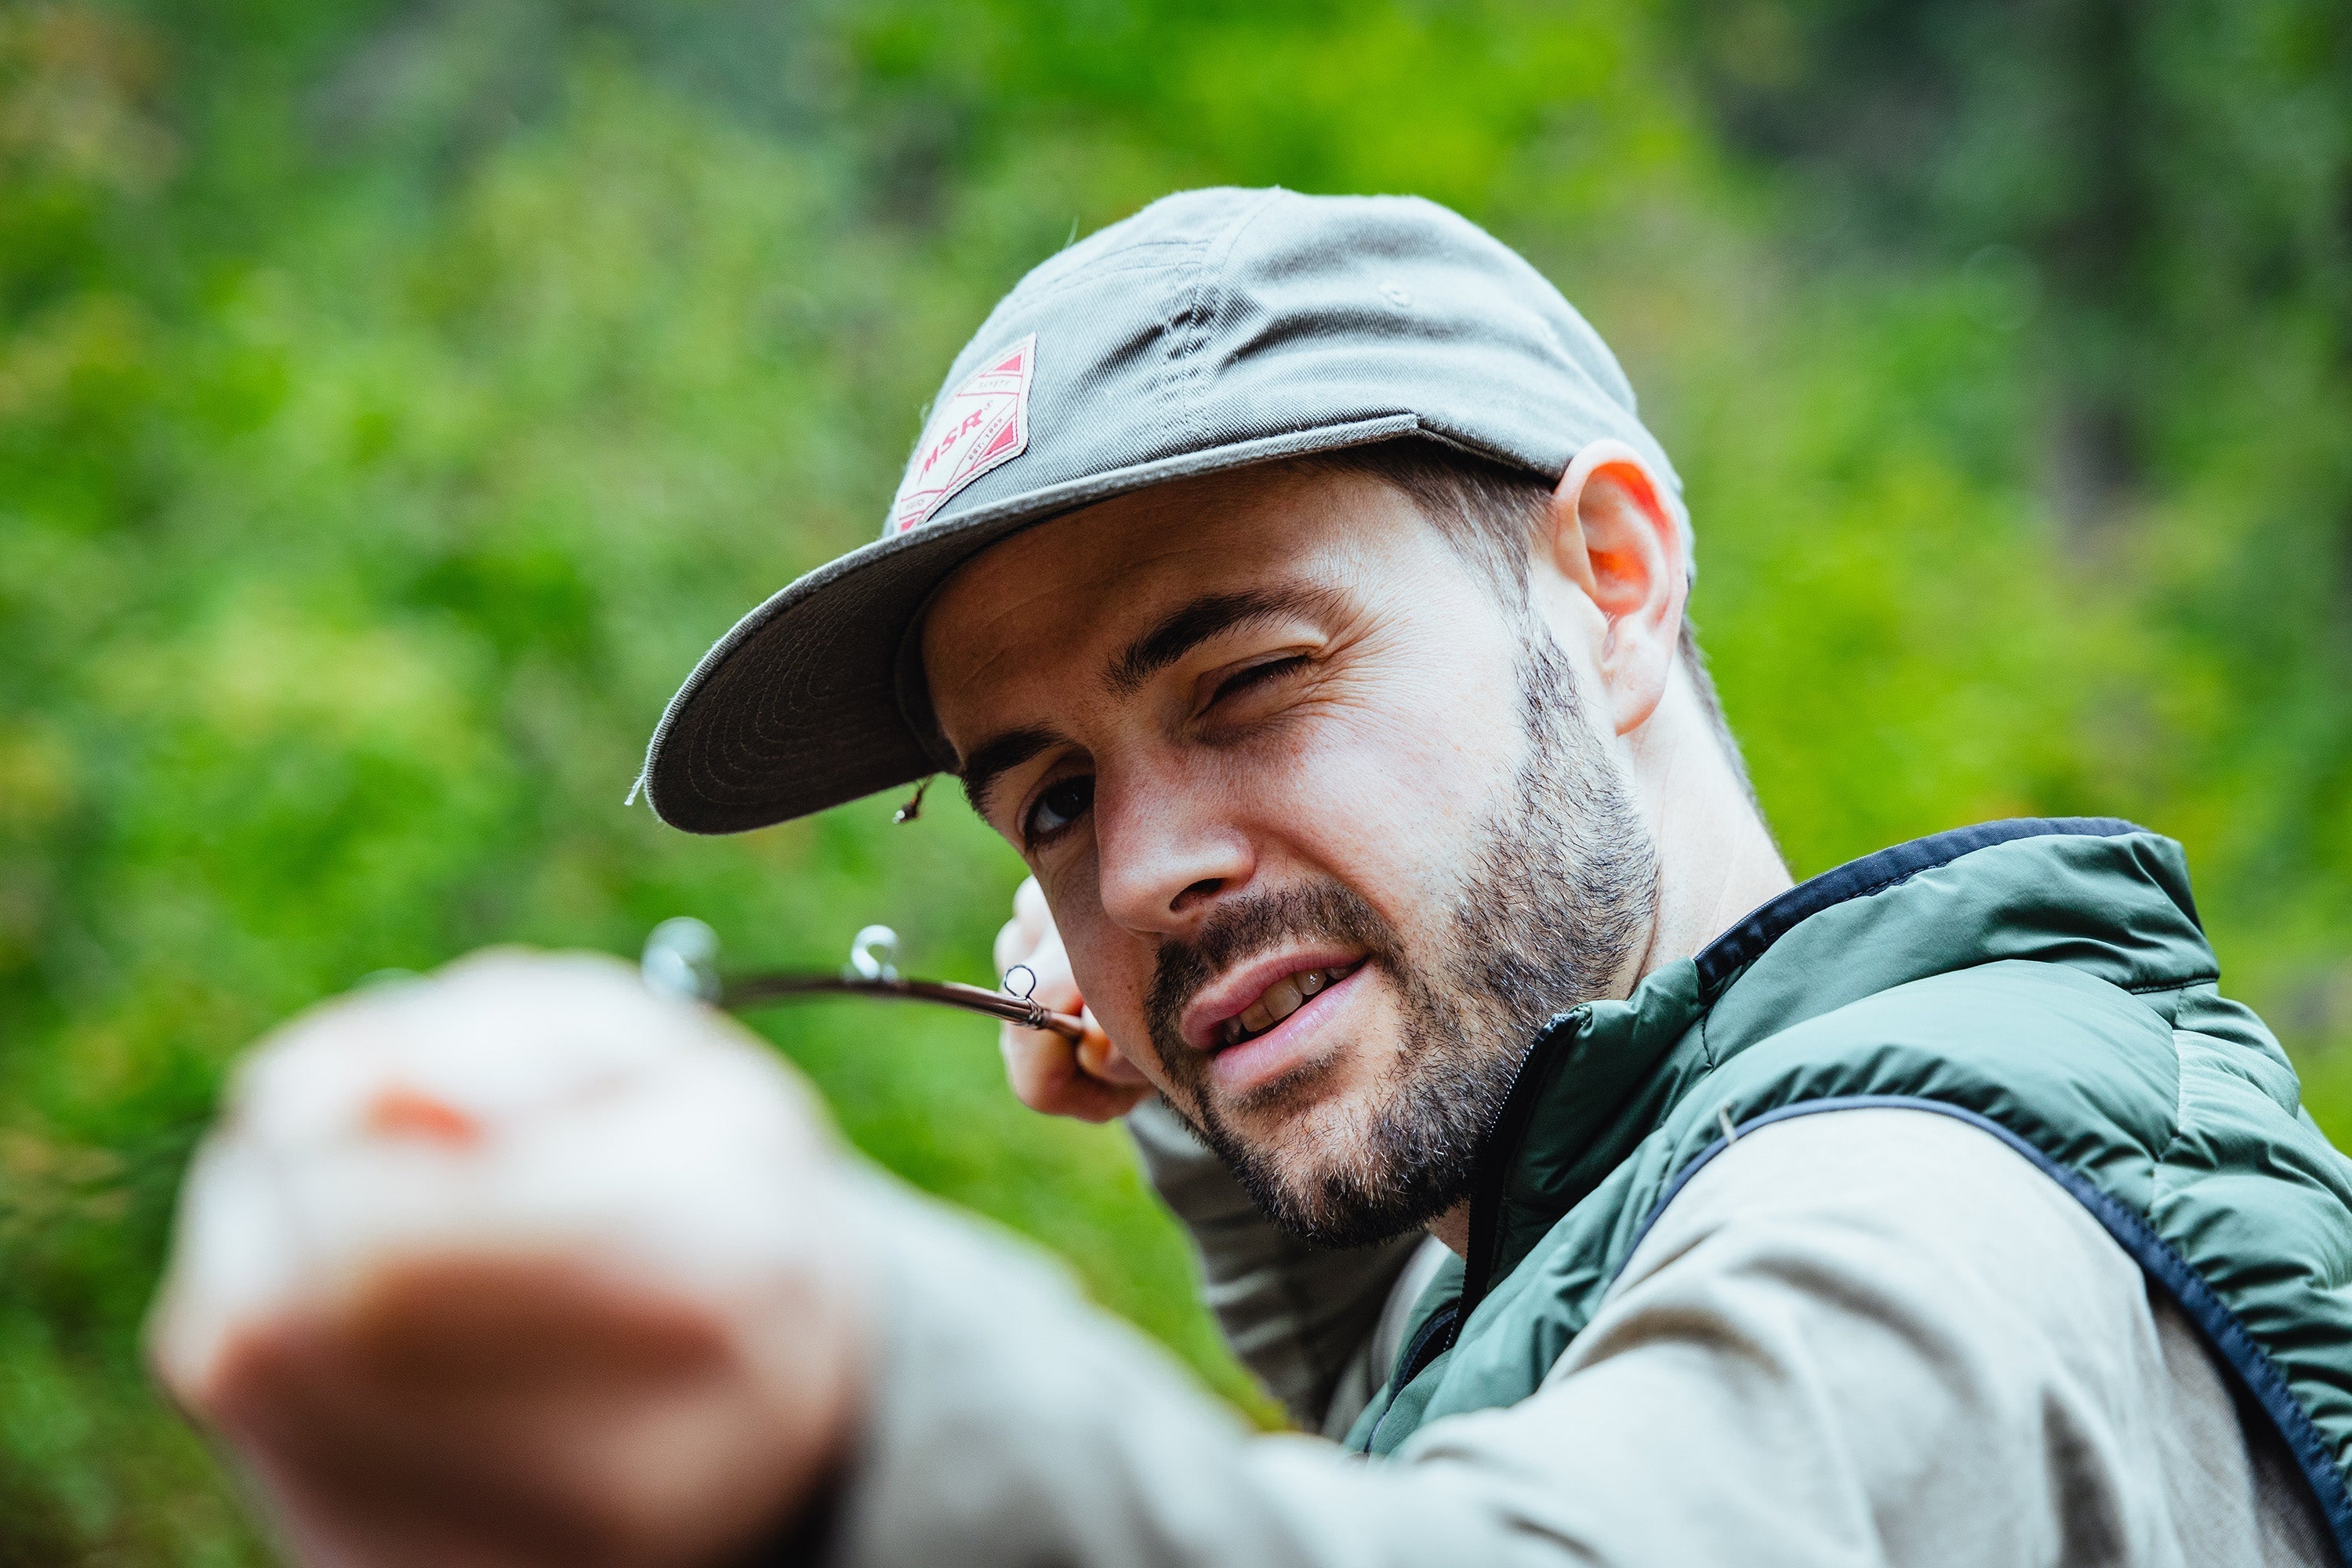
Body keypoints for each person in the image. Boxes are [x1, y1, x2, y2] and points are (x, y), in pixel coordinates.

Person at [154, 188, 2352, 1567]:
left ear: (1610, 584)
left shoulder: (1925, 1234)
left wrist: (839, 1403)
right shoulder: (1601, 1189)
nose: (1152, 871)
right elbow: (1462, 1358)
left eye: (1246, 678)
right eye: (1049, 802)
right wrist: (1258, 1070)